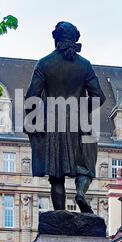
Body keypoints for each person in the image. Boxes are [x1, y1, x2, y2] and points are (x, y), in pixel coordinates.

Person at [25, 21, 106, 213]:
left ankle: (59, 215)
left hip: (54, 124)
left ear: (56, 39)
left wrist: (35, 121)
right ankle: (80, 193)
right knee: (86, 164)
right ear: (75, 39)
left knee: (56, 175)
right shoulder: (84, 65)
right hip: (80, 123)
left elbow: (31, 97)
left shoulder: (44, 64)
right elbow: (99, 97)